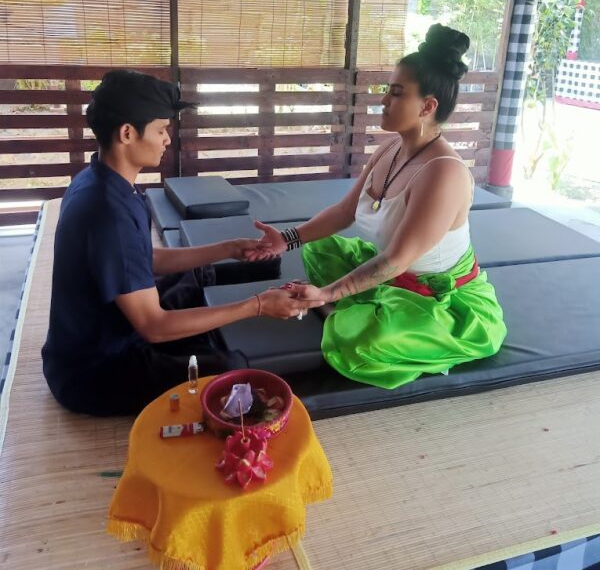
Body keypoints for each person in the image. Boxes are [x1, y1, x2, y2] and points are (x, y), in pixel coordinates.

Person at [42, 70, 323, 416]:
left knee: (197, 278)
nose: (167, 140)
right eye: (161, 129)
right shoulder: (106, 212)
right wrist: (258, 305)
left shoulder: (101, 180)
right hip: (96, 372)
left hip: (107, 332)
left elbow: (143, 259)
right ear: (127, 133)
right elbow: (154, 326)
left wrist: (228, 248)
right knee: (235, 374)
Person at [247, 25, 507, 389]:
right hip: (391, 273)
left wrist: (327, 294)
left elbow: (396, 260)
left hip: (436, 297)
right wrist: (286, 239)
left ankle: (343, 309)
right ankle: (349, 305)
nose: (383, 101)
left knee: (361, 345)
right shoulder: (389, 149)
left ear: (428, 107)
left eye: (396, 93)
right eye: (387, 90)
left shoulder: (445, 173)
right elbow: (343, 213)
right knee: (319, 248)